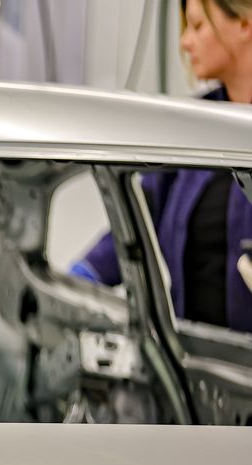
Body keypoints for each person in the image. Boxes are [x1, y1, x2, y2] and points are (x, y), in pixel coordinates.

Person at [71, 0, 252, 332]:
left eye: (197, 26)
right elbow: (137, 220)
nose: (184, 42)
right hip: (194, 362)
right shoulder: (192, 128)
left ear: (244, 25)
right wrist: (83, 277)